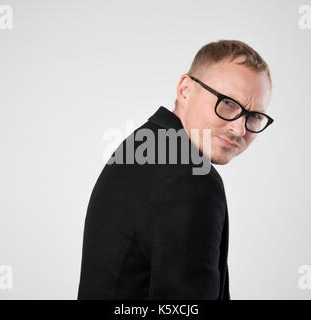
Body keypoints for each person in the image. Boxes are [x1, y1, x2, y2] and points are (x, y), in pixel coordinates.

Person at [77, 39, 273, 300]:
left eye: (254, 116)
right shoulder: (192, 179)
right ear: (185, 90)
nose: (239, 129)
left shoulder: (143, 144)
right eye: (227, 103)